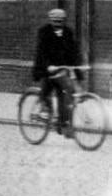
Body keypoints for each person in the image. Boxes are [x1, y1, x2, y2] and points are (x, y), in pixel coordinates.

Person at [33, 8, 82, 137]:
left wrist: (78, 68)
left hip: (61, 70)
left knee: (64, 95)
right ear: (51, 21)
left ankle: (61, 125)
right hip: (47, 69)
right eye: (55, 21)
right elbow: (41, 52)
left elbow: (74, 52)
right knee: (46, 89)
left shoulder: (68, 32)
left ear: (64, 21)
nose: (58, 24)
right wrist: (48, 66)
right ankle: (43, 111)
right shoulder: (44, 32)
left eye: (60, 21)